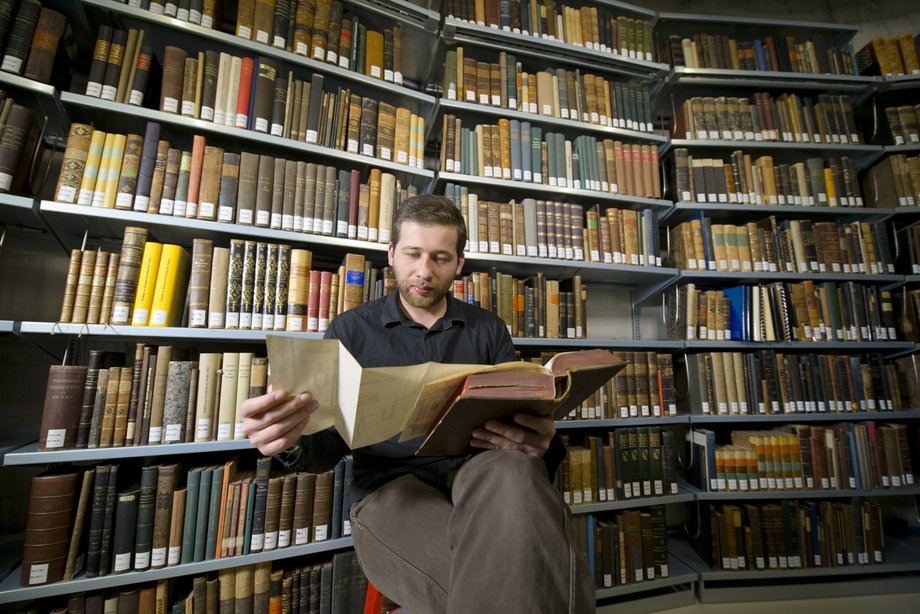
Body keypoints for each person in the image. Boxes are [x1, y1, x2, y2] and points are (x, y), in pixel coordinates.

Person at [240, 194, 595, 613]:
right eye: (412, 254)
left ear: (459, 263)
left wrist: (541, 440)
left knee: (515, 467)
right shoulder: (352, 330)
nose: (423, 272)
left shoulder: (488, 329)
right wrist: (291, 439)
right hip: (392, 490)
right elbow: (328, 447)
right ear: (391, 254)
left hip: (483, 474)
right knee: (522, 582)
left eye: (440, 258)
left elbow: (519, 423)